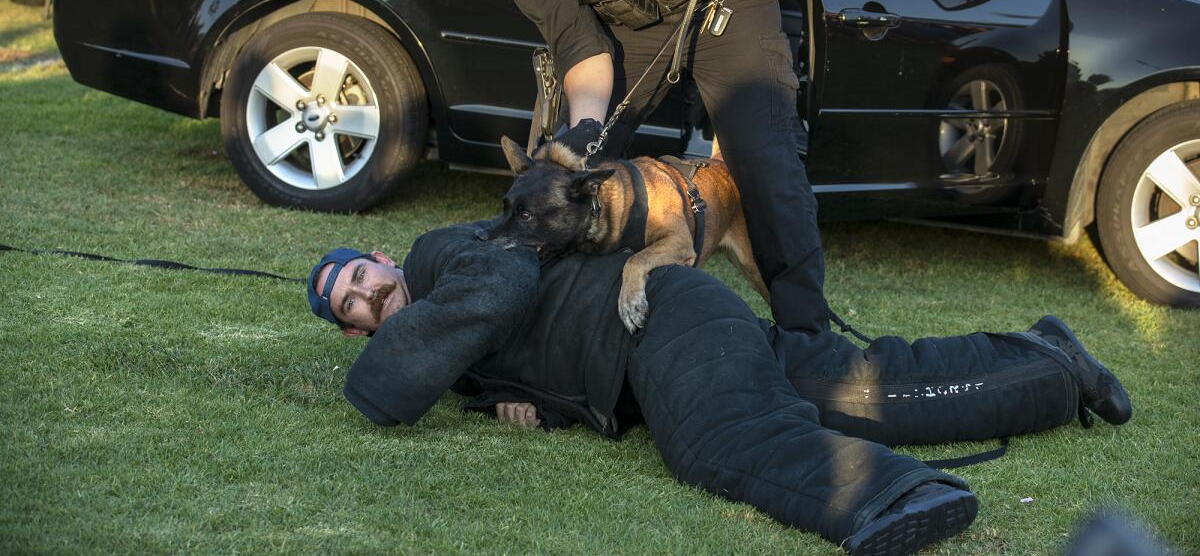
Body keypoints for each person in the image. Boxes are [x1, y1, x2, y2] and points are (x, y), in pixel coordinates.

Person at [305, 226, 1133, 556]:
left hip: (659, 318)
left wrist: (377, 387)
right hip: (662, 346)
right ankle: (1050, 365)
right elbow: (527, 348)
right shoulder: (447, 357)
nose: (373, 296)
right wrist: (530, 406)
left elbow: (505, 286)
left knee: (719, 438)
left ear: (382, 257)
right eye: (355, 306)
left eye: (364, 278)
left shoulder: (440, 255)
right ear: (354, 329)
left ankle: (892, 494)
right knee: (868, 389)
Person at [446, 0, 831, 335]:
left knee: (765, 168)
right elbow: (578, 41)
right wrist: (585, 127)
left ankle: (809, 340)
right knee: (566, 173)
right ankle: (559, 333)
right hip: (636, 27)